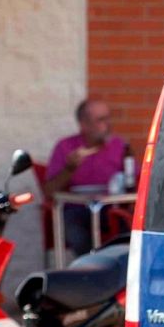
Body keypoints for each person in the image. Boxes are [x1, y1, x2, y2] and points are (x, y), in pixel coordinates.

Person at [43, 96, 129, 257]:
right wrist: (70, 168)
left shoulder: (119, 145)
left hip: (112, 207)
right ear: (84, 124)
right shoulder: (65, 147)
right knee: (75, 230)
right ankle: (92, 272)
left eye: (108, 118)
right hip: (77, 209)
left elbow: (135, 179)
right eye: (101, 120)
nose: (108, 124)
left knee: (128, 228)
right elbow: (49, 191)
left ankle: (121, 273)